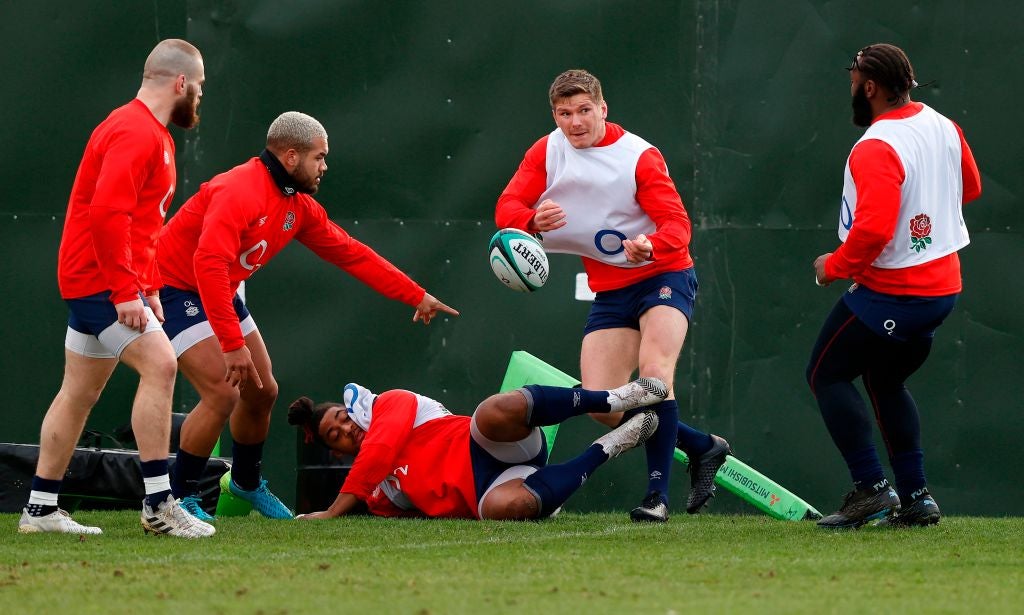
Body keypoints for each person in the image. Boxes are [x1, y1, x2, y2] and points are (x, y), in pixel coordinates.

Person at [158, 111, 459, 522]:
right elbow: (207, 263)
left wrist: (416, 295)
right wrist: (231, 345)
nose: (325, 167)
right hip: (173, 287)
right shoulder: (238, 189)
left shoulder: (295, 205)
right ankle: (177, 498)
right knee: (223, 392)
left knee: (262, 391)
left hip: (219, 287)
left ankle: (245, 483)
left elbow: (351, 253)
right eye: (319, 157)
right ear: (291, 155)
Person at [495, 69, 730, 522]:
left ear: (603, 109)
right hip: (611, 291)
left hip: (664, 274)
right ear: (554, 115)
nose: (575, 122)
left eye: (584, 110)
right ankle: (702, 446)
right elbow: (506, 207)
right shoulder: (547, 150)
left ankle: (657, 497)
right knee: (604, 405)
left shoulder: (637, 156)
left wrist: (651, 245)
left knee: (655, 378)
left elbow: (679, 227)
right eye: (565, 113)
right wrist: (530, 221)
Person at [17, 39, 215, 538]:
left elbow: (140, 226)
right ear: (180, 83)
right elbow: (108, 214)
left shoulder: (150, 133)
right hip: (97, 281)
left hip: (102, 278)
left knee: (79, 391)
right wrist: (125, 290)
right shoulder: (135, 132)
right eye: (200, 87)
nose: (200, 97)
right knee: (162, 364)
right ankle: (158, 507)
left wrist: (146, 287)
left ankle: (39, 510)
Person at [808, 43, 982, 529]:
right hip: (941, 289)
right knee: (886, 382)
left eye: (853, 83)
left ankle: (871, 488)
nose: (852, 91)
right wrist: (924, 212)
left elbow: (874, 230)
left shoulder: (877, 144)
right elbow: (969, 188)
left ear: (870, 87)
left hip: (894, 291)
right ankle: (917, 497)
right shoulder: (944, 124)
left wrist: (833, 265)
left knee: (826, 374)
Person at [289, 377, 668, 520]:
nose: (344, 428)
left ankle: (612, 398)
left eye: (341, 417)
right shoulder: (376, 493)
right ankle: (611, 445)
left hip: (495, 444)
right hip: (489, 490)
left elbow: (381, 448)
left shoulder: (390, 402)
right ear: (335, 453)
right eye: (334, 435)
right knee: (510, 508)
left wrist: (332, 512)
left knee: (489, 411)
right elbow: (411, 510)